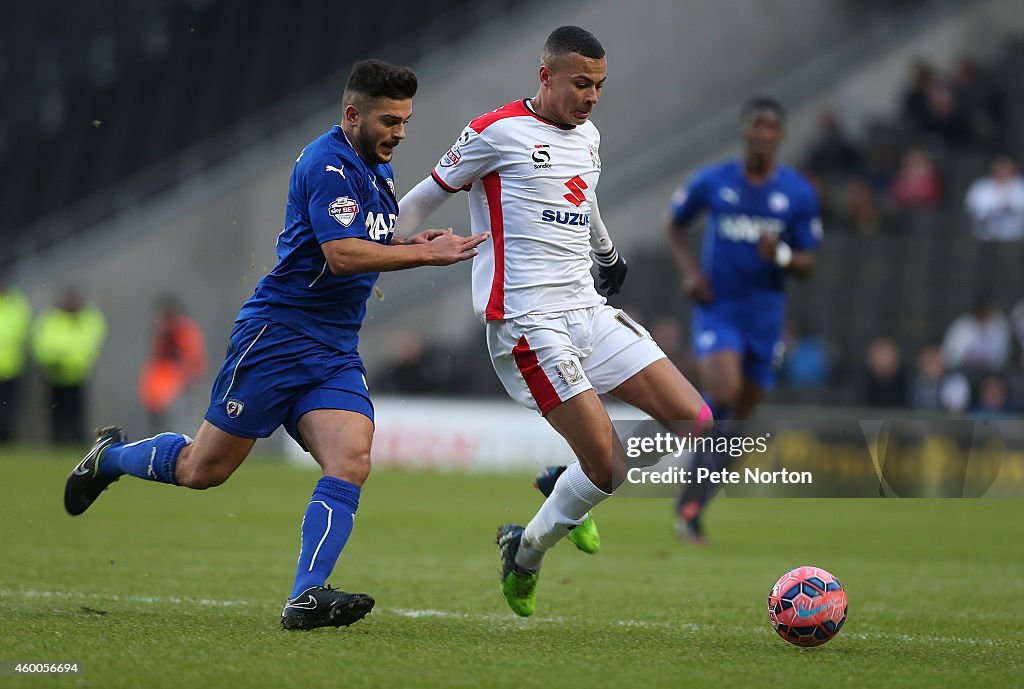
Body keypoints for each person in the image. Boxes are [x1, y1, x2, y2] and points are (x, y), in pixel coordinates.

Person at [63, 59, 488, 631]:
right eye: (390, 120)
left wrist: (411, 239)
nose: (400, 133)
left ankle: (305, 596)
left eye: (406, 121)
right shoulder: (326, 164)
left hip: (333, 349)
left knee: (351, 459)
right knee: (201, 470)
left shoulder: (374, 166)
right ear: (352, 114)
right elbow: (342, 256)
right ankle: (109, 458)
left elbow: (364, 240)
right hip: (278, 338)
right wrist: (425, 254)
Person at [396, 26, 710, 617]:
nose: (592, 96)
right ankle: (526, 551)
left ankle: (569, 481)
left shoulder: (589, 136)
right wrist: (381, 246)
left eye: (600, 85)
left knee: (695, 419)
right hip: (528, 323)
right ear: (546, 76)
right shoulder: (495, 131)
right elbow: (427, 194)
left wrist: (608, 253)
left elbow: (582, 198)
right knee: (610, 464)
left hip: (587, 309)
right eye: (581, 83)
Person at [665, 96, 821, 542]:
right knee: (725, 392)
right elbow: (673, 224)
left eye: (770, 127)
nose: (761, 133)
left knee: (741, 418)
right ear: (743, 131)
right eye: (754, 125)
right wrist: (692, 273)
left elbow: (810, 263)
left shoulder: (797, 192)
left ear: (781, 135)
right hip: (719, 308)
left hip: (766, 316)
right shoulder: (714, 181)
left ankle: (693, 506)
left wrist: (784, 254)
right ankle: (685, 469)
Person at [33, 287, 107, 443]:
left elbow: (89, 345)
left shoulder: (88, 318)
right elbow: (43, 344)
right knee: (57, 414)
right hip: (56, 374)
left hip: (76, 374)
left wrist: (61, 356)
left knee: (76, 413)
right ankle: (58, 443)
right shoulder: (52, 318)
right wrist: (61, 358)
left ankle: (77, 442)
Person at [138, 296, 208, 434]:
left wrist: (188, 379)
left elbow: (193, 359)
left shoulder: (184, 331)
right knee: (161, 426)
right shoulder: (164, 334)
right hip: (162, 390)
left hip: (178, 387)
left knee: (180, 425)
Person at [0, 280, 32, 443]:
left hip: (10, 368)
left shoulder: (16, 304)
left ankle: (6, 440)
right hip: (9, 365)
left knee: (7, 408)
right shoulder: (16, 304)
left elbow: (21, 331)